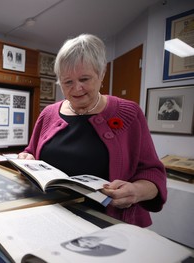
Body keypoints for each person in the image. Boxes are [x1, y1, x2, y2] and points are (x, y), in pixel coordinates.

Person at [18, 34, 167, 227]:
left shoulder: (129, 113)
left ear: (101, 74)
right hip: (49, 218)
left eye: (84, 79)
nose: (76, 88)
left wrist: (136, 191)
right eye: (68, 82)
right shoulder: (48, 114)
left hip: (108, 224)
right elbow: (30, 152)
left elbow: (153, 172)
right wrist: (26, 158)